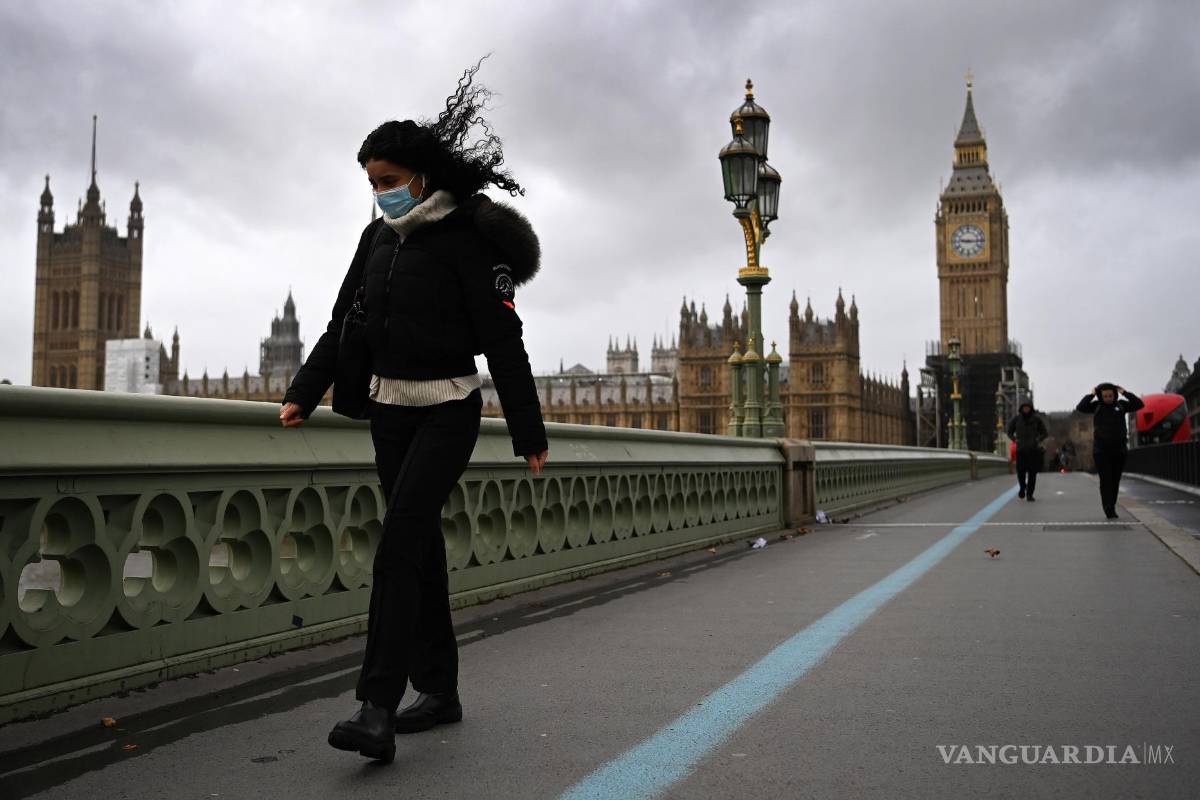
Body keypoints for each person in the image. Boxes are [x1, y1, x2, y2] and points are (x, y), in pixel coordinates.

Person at [279, 62, 549, 764]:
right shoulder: (375, 241)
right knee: (419, 549)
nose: (380, 196)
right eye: (371, 184)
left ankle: (375, 708)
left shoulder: (466, 241)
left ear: (421, 178)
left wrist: (528, 430)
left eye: (389, 182)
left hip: (449, 409)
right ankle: (440, 690)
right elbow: (346, 320)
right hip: (389, 409)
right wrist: (304, 390)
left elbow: (502, 339)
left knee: (398, 542)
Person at [1075, 383, 1143, 519]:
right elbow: (1080, 407)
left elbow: (1139, 404)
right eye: (1105, 396)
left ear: (1114, 395)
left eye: (1110, 395)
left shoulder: (1121, 405)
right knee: (1105, 480)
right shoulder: (1097, 406)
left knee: (1115, 480)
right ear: (1101, 396)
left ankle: (1111, 504)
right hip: (1101, 451)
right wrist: (1092, 394)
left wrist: (1124, 392)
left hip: (1119, 450)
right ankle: (1108, 508)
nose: (1108, 398)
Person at [1006, 401, 1047, 501]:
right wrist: (1015, 440)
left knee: (1032, 473)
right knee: (1021, 472)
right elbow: (1009, 431)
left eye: (1027, 408)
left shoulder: (1036, 419)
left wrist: (1038, 440)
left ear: (1030, 408)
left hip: (1033, 450)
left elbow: (1045, 432)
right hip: (1020, 450)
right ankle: (1022, 487)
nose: (1026, 409)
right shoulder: (1016, 419)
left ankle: (1029, 494)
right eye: (1024, 408)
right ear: (1021, 409)